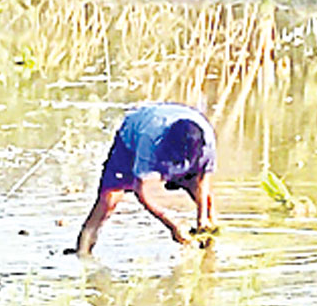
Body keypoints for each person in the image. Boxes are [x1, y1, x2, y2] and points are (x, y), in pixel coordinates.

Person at [75, 102, 218, 256]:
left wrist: (202, 218)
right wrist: (171, 222)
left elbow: (203, 181)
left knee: (205, 205)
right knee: (109, 200)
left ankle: (209, 253)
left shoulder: (207, 143)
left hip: (180, 130)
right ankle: (83, 253)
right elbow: (141, 190)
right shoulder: (150, 140)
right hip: (133, 136)